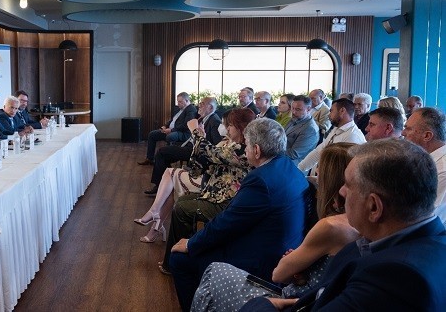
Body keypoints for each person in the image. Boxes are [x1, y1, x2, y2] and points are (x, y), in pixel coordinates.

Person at [242, 139, 446, 311]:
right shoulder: (426, 242)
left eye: (348, 185)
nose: (341, 191)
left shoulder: (394, 279)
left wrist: (262, 304)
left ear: (374, 207)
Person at [191, 143, 359, 312]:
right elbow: (325, 278)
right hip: (307, 295)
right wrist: (301, 273)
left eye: (320, 168)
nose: (316, 172)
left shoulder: (330, 226)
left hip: (289, 301)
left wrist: (294, 266)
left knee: (213, 272)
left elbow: (279, 275)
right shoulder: (359, 228)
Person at [169, 118, 309, 311]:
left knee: (179, 259)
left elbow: (227, 224)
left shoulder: (261, 180)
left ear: (257, 150)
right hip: (282, 248)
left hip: (263, 262)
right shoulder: (289, 167)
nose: (245, 149)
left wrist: (191, 244)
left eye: (247, 145)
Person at [135, 108, 252, 244]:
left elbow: (209, 154)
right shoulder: (232, 144)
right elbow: (200, 164)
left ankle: (164, 230)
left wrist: (196, 133)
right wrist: (200, 137)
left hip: (222, 198)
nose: (227, 128)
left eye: (230, 125)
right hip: (212, 187)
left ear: (241, 127)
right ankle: (170, 238)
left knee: (174, 188)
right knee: (177, 194)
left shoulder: (242, 149)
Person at [143, 96, 222, 196]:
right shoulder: (205, 118)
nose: (199, 106)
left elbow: (216, 145)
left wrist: (200, 136)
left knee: (161, 152)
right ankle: (167, 184)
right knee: (164, 154)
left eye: (202, 104)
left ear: (210, 107)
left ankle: (161, 185)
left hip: (195, 151)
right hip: (190, 145)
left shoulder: (214, 121)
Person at [298, 98, 366, 174]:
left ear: (342, 111)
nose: (329, 115)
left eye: (331, 111)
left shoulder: (353, 136)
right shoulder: (337, 128)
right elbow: (318, 151)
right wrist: (299, 169)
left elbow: (342, 170)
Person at [401, 107, 446, 220]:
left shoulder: (442, 170)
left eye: (408, 129)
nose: (402, 133)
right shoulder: (423, 159)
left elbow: (428, 217)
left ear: (427, 136)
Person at [138, 92, 197, 165]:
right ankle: (150, 159)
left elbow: (186, 125)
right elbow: (173, 120)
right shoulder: (180, 109)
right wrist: (165, 126)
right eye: (178, 101)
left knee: (170, 136)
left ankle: (166, 161)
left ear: (187, 101)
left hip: (183, 133)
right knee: (152, 134)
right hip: (172, 130)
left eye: (180, 102)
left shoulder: (191, 109)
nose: (178, 103)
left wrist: (171, 130)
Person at [284, 95, 320, 165]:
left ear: (308, 109)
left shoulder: (310, 129)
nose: (293, 112)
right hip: (283, 159)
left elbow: (294, 154)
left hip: (294, 165)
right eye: (292, 108)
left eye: (298, 109)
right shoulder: (294, 119)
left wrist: (271, 152)